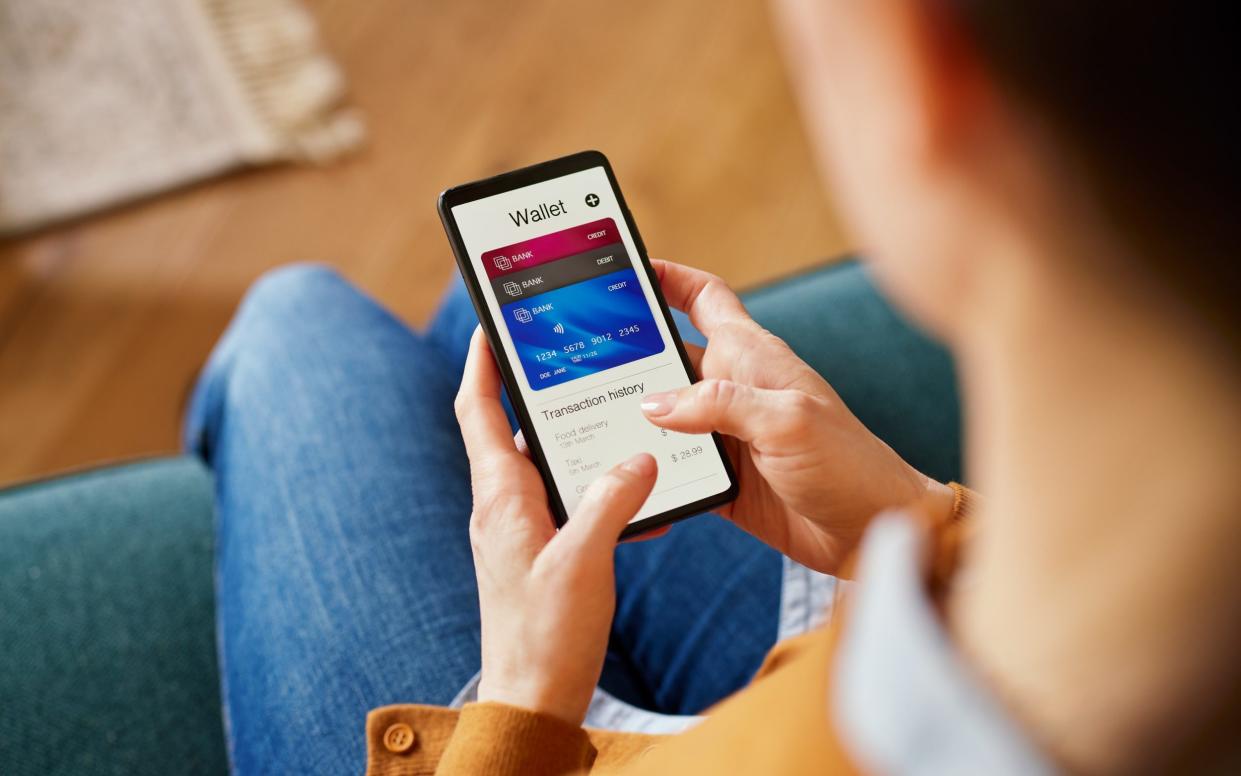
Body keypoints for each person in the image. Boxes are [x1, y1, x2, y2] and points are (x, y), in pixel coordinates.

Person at [186, 0, 1240, 773]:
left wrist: (519, 703)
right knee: (492, 321)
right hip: (874, 634)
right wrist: (915, 527)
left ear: (927, 61)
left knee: (298, 325)